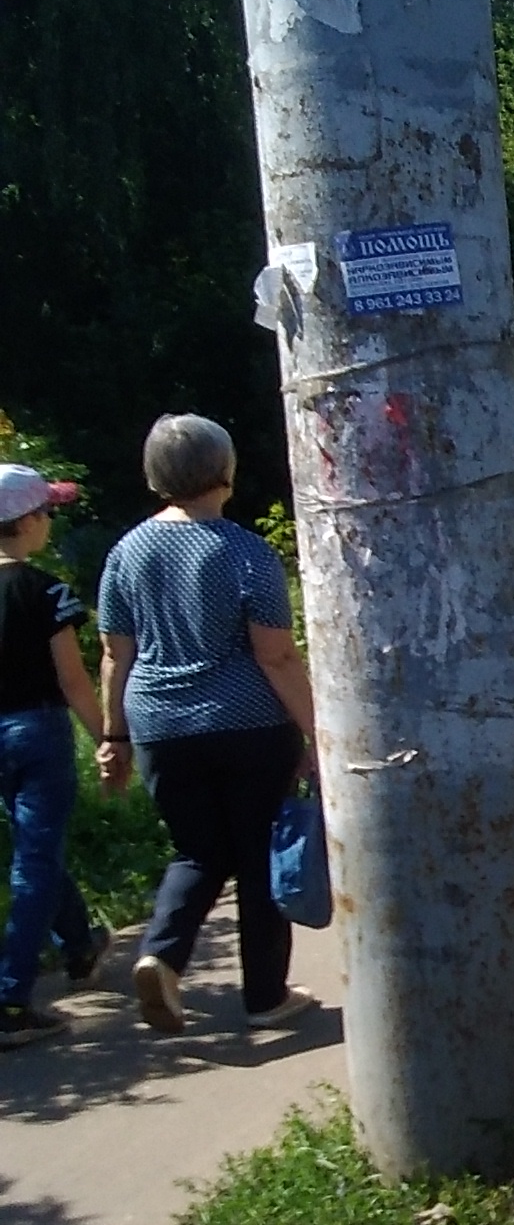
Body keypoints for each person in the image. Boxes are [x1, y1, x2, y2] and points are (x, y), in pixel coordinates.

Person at [95, 415, 317, 1035]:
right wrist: (316, 732)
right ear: (226, 469)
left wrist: (113, 737)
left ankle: (161, 957)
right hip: (247, 725)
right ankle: (266, 996)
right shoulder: (244, 551)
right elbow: (274, 653)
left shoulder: (126, 552)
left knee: (196, 850)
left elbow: (116, 652)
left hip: (160, 727)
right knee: (255, 858)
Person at [0, 464, 109, 1047]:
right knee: (35, 860)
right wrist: (107, 739)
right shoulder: (46, 591)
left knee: (36, 845)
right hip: (37, 730)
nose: (49, 522)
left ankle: (79, 945)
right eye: (46, 512)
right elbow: (72, 680)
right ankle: (10, 998)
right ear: (26, 521)